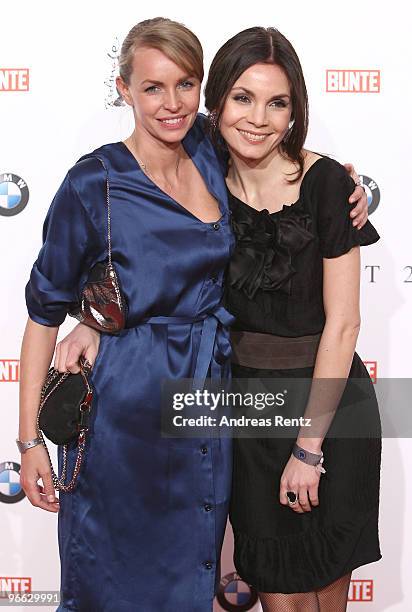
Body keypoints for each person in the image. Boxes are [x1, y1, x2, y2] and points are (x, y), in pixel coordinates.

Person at [18, 18, 368, 612]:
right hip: (129, 403)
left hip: (213, 395)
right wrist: (29, 440)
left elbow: (274, 149)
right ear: (123, 89)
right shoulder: (91, 183)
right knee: (112, 565)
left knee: (193, 569)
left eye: (185, 85)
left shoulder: (208, 151)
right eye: (152, 87)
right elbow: (41, 314)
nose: (171, 103)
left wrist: (340, 181)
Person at [204, 27, 381, 612]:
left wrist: (309, 449)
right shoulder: (197, 181)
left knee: (329, 586)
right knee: (278, 588)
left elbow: (344, 325)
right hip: (250, 406)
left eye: (277, 102)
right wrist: (89, 321)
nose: (258, 118)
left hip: (330, 407)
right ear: (216, 101)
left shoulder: (328, 183)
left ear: (295, 109)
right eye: (242, 97)